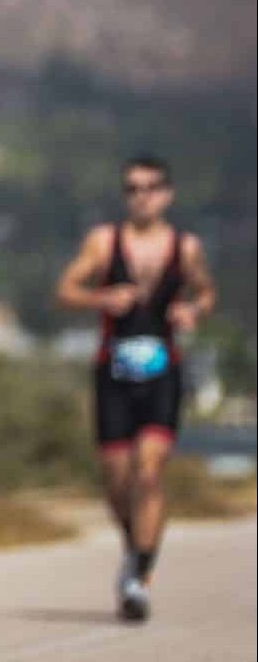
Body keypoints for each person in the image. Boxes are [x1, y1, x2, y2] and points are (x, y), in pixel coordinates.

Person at [56, 154, 216, 622]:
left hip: (163, 373)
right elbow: (65, 289)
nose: (140, 196)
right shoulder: (105, 243)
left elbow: (205, 291)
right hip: (113, 372)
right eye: (132, 188)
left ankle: (138, 577)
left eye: (149, 187)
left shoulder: (185, 248)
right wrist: (100, 297)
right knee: (116, 479)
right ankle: (136, 547)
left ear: (166, 194)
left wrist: (194, 311)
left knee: (149, 473)